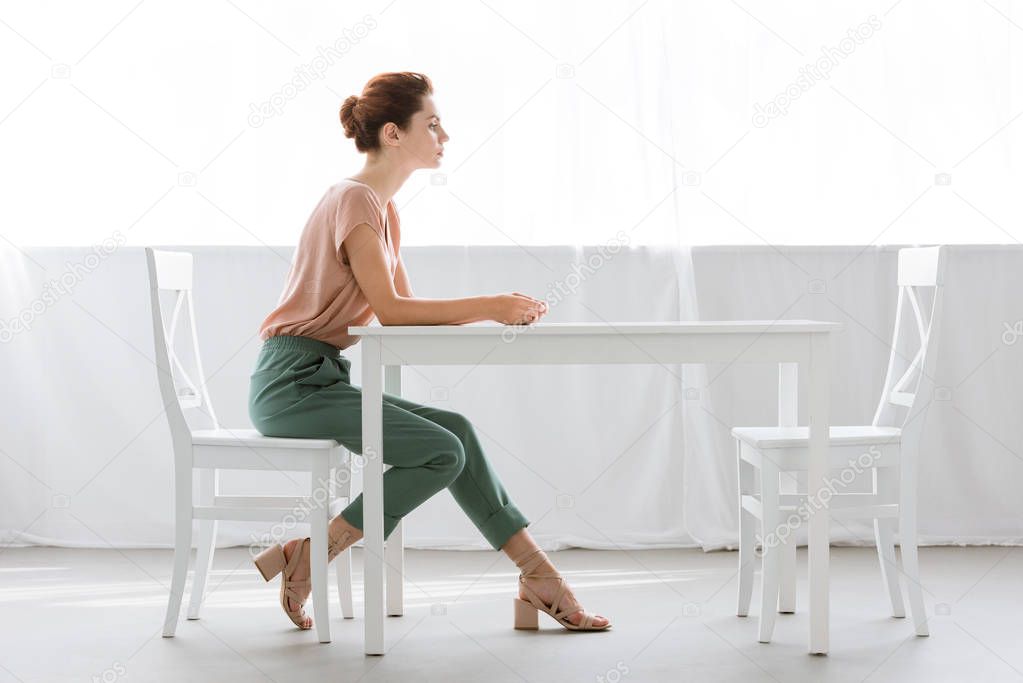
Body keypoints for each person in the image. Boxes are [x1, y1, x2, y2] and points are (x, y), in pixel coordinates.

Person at [247, 72, 610, 633]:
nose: (446, 135)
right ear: (393, 133)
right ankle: (312, 554)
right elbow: (393, 311)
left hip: (320, 378)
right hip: (290, 384)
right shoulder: (354, 199)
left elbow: (405, 311)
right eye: (433, 125)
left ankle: (537, 576)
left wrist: (490, 312)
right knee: (441, 452)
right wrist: (490, 304)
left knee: (456, 432)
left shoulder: (384, 212)